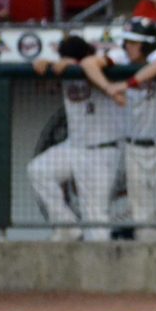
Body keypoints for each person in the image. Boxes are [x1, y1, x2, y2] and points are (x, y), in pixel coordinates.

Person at [79, 18, 156, 241]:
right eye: (127, 42)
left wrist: (125, 84)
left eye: (134, 42)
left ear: (147, 44)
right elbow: (87, 64)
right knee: (141, 214)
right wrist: (109, 88)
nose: (128, 47)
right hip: (133, 146)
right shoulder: (122, 57)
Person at [27, 35, 126, 242]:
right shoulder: (64, 67)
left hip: (102, 150)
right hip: (74, 147)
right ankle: (66, 226)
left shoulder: (101, 65)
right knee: (38, 170)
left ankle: (99, 267)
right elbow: (43, 77)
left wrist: (74, 65)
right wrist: (47, 64)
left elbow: (93, 69)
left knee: (95, 217)